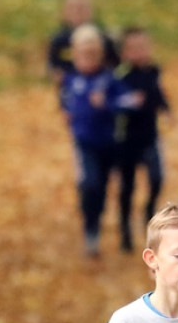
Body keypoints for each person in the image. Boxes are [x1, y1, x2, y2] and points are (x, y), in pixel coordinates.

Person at [59, 24, 139, 257]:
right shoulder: (71, 80)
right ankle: (89, 227)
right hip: (84, 144)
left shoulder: (108, 79)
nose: (88, 58)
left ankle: (95, 225)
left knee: (102, 187)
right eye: (83, 53)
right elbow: (67, 103)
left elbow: (129, 101)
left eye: (93, 53)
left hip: (108, 143)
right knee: (89, 183)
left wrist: (107, 104)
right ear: (75, 55)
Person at [114, 26, 171, 253]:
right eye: (133, 48)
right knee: (127, 187)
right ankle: (125, 230)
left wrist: (166, 109)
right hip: (127, 141)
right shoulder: (121, 77)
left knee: (156, 178)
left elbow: (157, 93)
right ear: (124, 52)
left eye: (143, 47)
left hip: (150, 137)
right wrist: (127, 102)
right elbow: (113, 103)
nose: (139, 52)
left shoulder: (153, 71)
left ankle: (149, 212)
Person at [47, 0, 118, 85]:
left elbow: (115, 63)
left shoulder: (103, 38)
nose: (78, 13)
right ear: (65, 12)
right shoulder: (59, 40)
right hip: (71, 88)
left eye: (82, 8)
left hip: (100, 87)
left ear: (91, 11)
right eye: (73, 9)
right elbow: (53, 65)